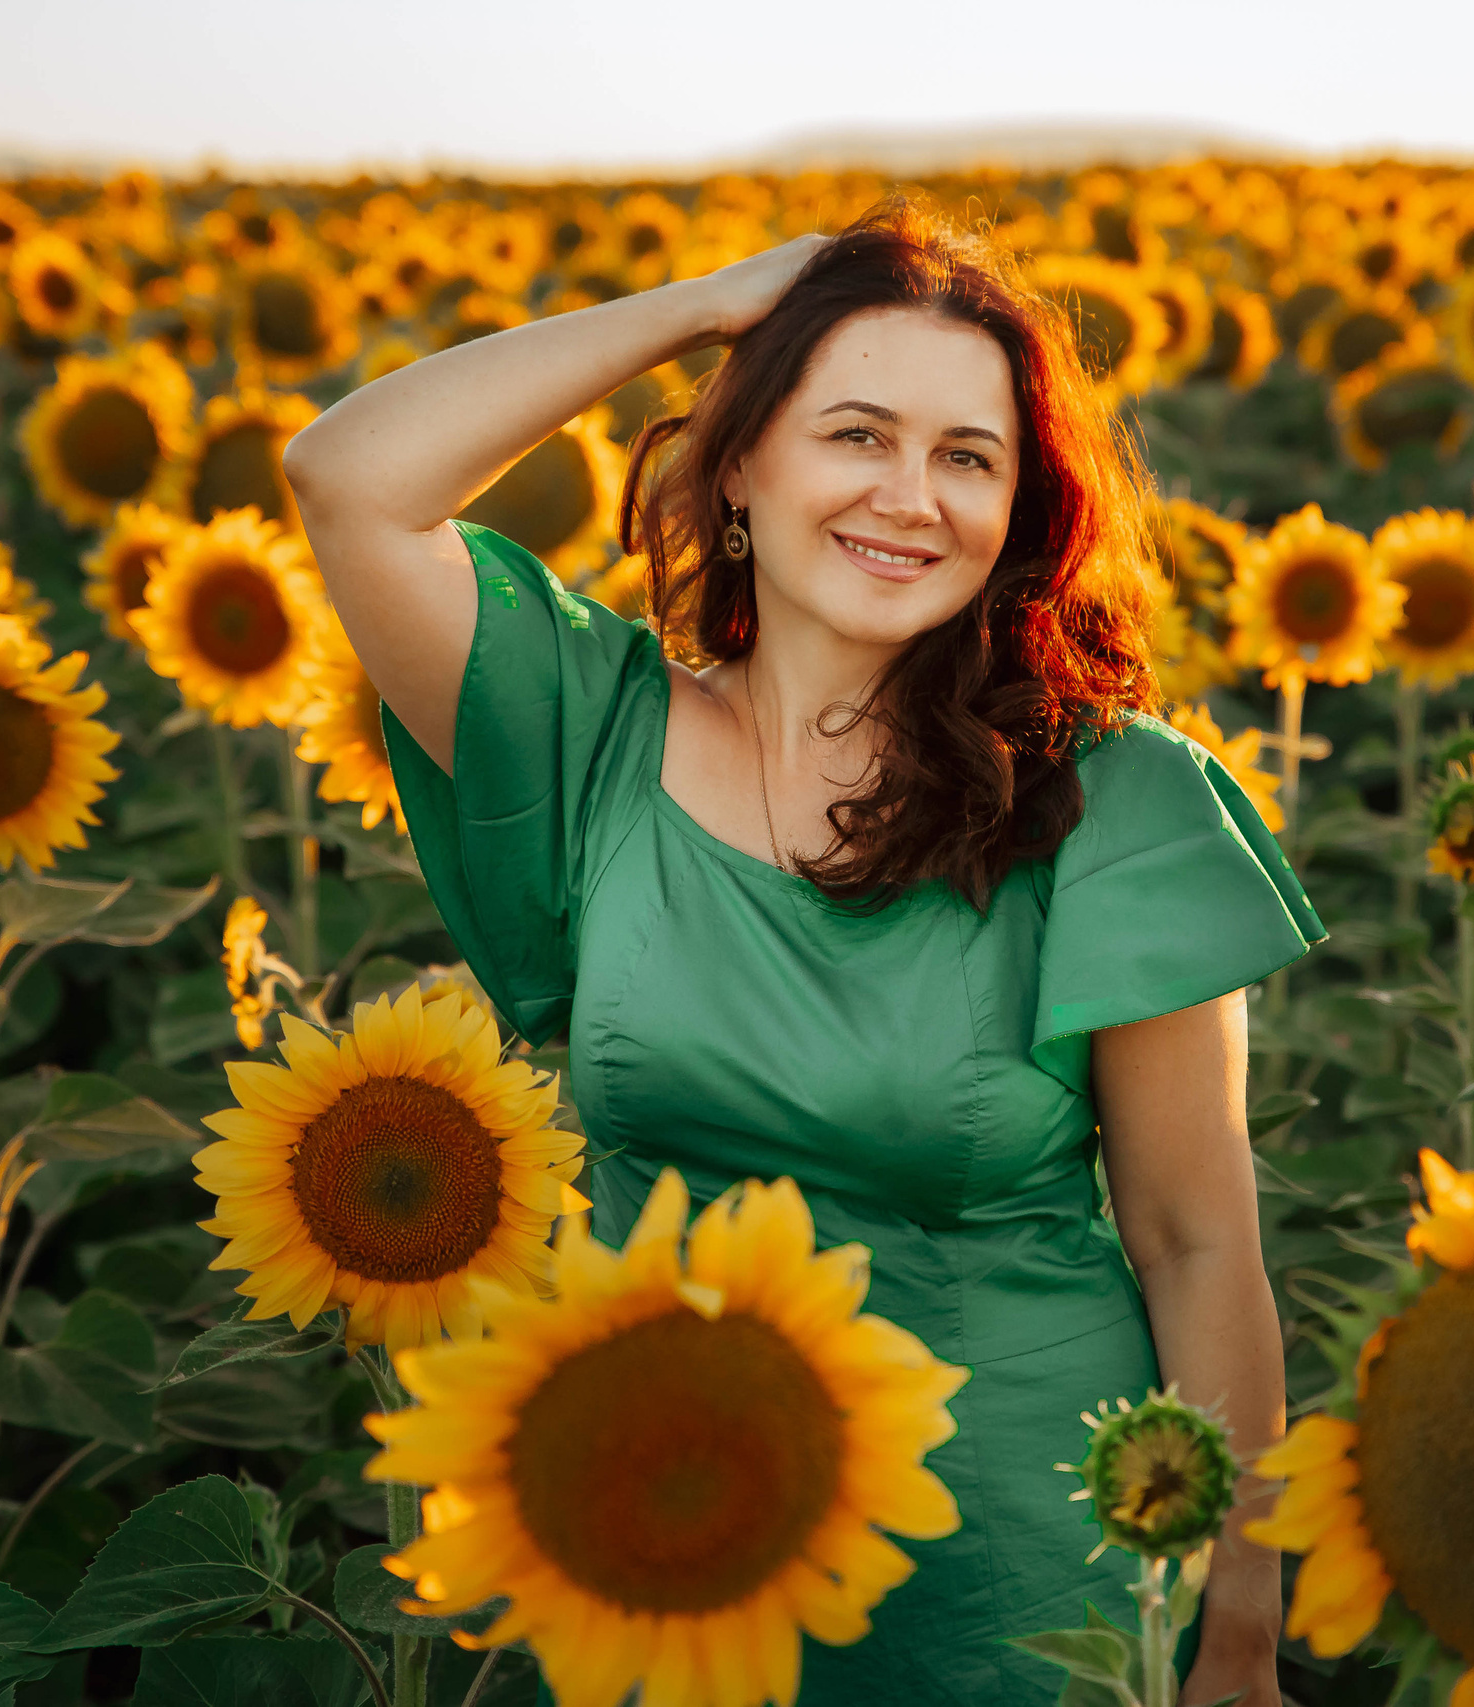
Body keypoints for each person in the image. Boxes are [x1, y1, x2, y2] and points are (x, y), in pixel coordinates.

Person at [283, 199, 1320, 1706]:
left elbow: (1198, 1243)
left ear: (1017, 514)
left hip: (1022, 1587)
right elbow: (351, 477)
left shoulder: (1110, 798)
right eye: (856, 433)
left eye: (969, 456)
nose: (912, 495)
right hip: (663, 1549)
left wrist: (1234, 1642)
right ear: (742, 469)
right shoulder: (593, 736)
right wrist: (700, 303)